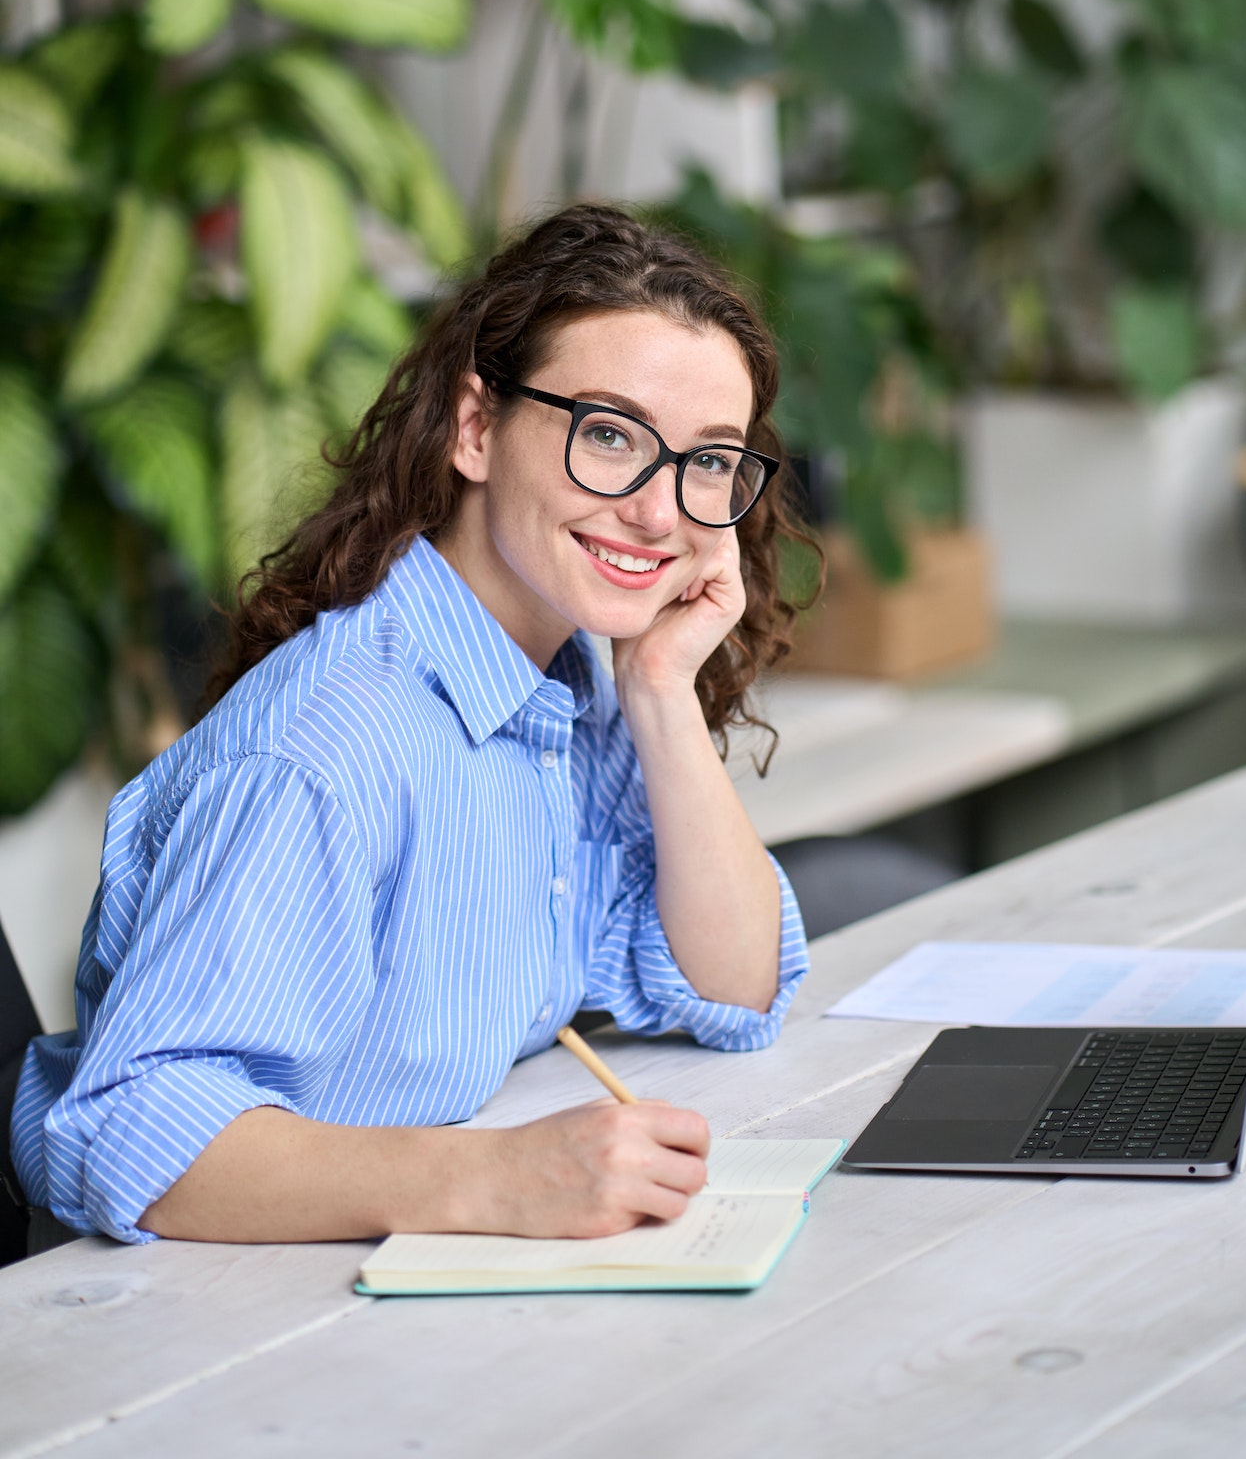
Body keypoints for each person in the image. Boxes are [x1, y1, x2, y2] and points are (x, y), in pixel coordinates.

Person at [12, 205, 813, 1246]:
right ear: (474, 427)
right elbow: (126, 1132)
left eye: (708, 460)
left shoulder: (572, 680)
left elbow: (732, 988)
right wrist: (491, 1177)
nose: (661, 513)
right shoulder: (327, 747)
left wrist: (661, 691)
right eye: (608, 434)